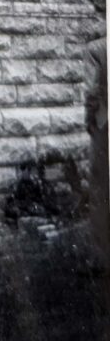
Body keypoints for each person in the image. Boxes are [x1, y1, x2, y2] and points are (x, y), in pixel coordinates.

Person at [84, 30, 109, 274]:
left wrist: (89, 120)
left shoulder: (96, 49)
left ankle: (101, 259)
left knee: (101, 191)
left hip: (105, 125)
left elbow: (92, 93)